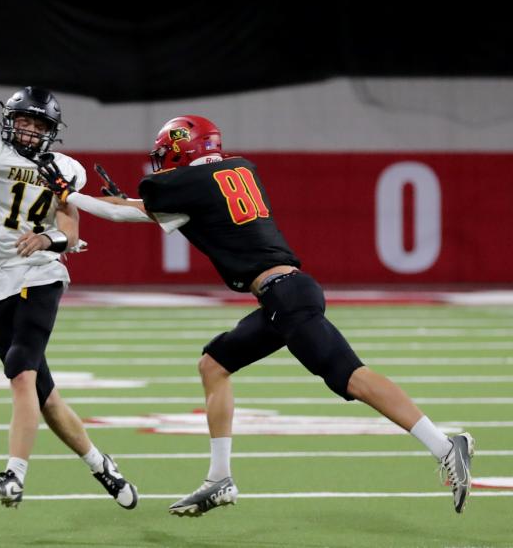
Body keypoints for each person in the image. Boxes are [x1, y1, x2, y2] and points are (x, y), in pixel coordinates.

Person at [37, 114, 474, 516]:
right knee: (215, 363)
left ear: (181, 147)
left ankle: (444, 446)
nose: (162, 165)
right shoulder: (236, 169)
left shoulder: (188, 183)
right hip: (283, 296)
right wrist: (95, 199)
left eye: (167, 155)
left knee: (350, 376)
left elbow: (128, 210)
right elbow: (141, 209)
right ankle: (219, 479)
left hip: (285, 297)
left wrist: (67, 194)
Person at [0, 68, 137, 510]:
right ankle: (100, 464)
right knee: (44, 396)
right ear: (10, 120)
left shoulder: (64, 168)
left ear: (51, 132)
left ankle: (13, 476)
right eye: (25, 121)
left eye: (39, 124)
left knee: (21, 371)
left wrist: (47, 239)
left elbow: (70, 229)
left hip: (40, 271)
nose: (31, 129)